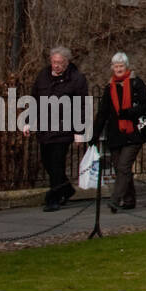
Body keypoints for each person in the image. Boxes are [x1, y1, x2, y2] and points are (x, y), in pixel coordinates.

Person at [24, 46, 89, 212]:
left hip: (64, 128)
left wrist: (79, 132)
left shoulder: (77, 79)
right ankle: (67, 189)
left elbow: (81, 107)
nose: (56, 65)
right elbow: (34, 100)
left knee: (56, 163)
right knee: (47, 162)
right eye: (54, 62)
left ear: (66, 63)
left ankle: (54, 198)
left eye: (59, 63)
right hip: (45, 128)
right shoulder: (43, 76)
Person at [90, 51, 146, 212]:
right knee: (120, 168)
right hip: (115, 134)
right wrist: (94, 135)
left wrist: (130, 112)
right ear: (112, 68)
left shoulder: (136, 83)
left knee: (124, 167)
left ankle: (115, 199)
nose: (118, 69)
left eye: (121, 66)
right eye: (116, 66)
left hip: (133, 133)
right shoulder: (109, 87)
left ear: (126, 67)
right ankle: (129, 199)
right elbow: (103, 113)